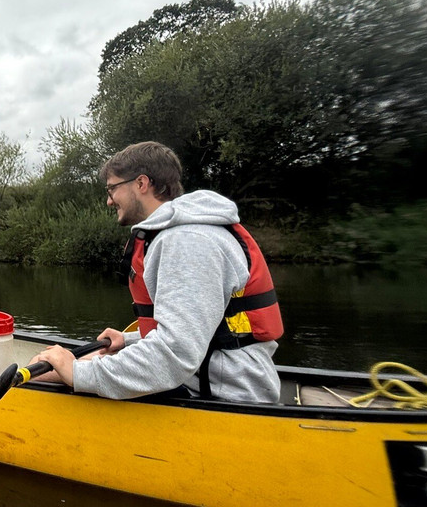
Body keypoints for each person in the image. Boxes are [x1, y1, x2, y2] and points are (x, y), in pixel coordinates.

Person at [30, 141, 282, 403]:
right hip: (204, 376)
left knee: (44, 371)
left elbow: (175, 353)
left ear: (141, 184)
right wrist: (129, 340)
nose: (108, 200)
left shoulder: (188, 241)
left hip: (223, 392)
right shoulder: (180, 235)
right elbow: (200, 328)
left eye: (112, 189)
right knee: (74, 362)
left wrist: (77, 373)